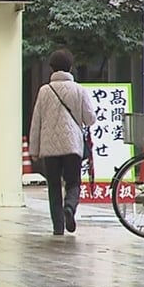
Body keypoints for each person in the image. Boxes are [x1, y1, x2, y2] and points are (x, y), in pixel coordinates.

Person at [28, 49, 95, 236]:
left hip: (49, 148)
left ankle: (58, 227)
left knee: (54, 186)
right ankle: (70, 208)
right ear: (70, 67)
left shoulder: (44, 91)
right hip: (72, 145)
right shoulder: (79, 90)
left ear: (51, 68)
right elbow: (90, 119)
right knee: (73, 183)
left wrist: (34, 150)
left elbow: (36, 122)